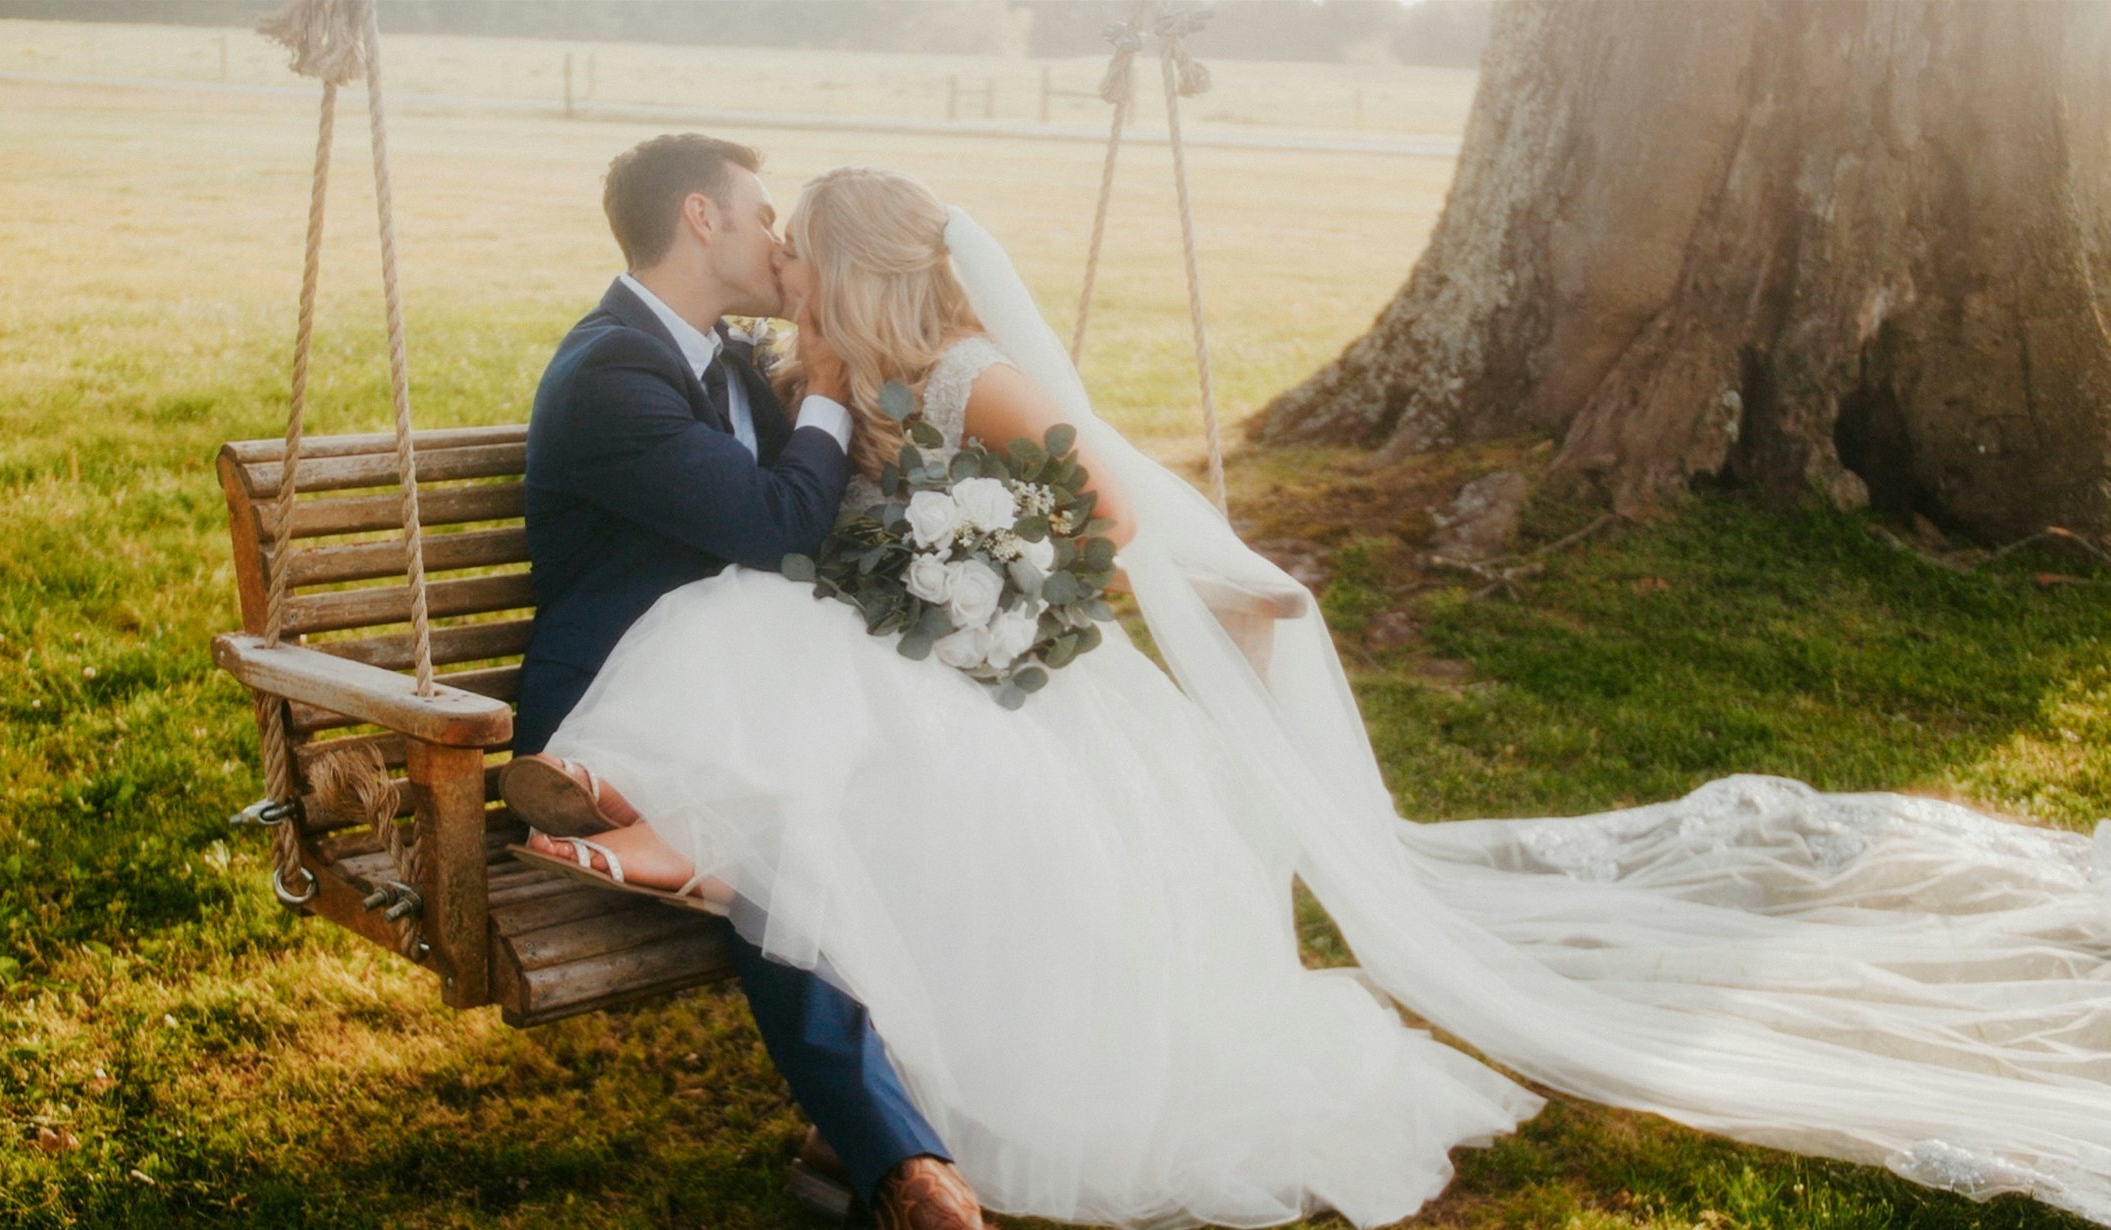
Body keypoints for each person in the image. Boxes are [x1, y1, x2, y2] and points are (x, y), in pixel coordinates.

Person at [511, 161, 2111, 1229]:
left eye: (799, 244)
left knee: (899, 746)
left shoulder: (958, 371)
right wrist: (908, 561)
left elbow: (1102, 519)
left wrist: (973, 590)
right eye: (767, 231)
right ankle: (764, 967)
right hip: (888, 645)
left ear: (846, 269)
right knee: (832, 708)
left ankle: (799, 1004)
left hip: (978, 648)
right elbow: (799, 510)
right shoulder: (809, 372)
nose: (780, 254)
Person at [516, 134, 992, 1229]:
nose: (779, 239)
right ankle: (899, 1164)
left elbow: (828, 495)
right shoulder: (608, 374)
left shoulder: (728, 359)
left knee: (953, 786)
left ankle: (879, 1121)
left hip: (759, 688)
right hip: (612, 715)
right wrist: (825, 385)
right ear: (699, 218)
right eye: (762, 215)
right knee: (784, 838)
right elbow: (773, 524)